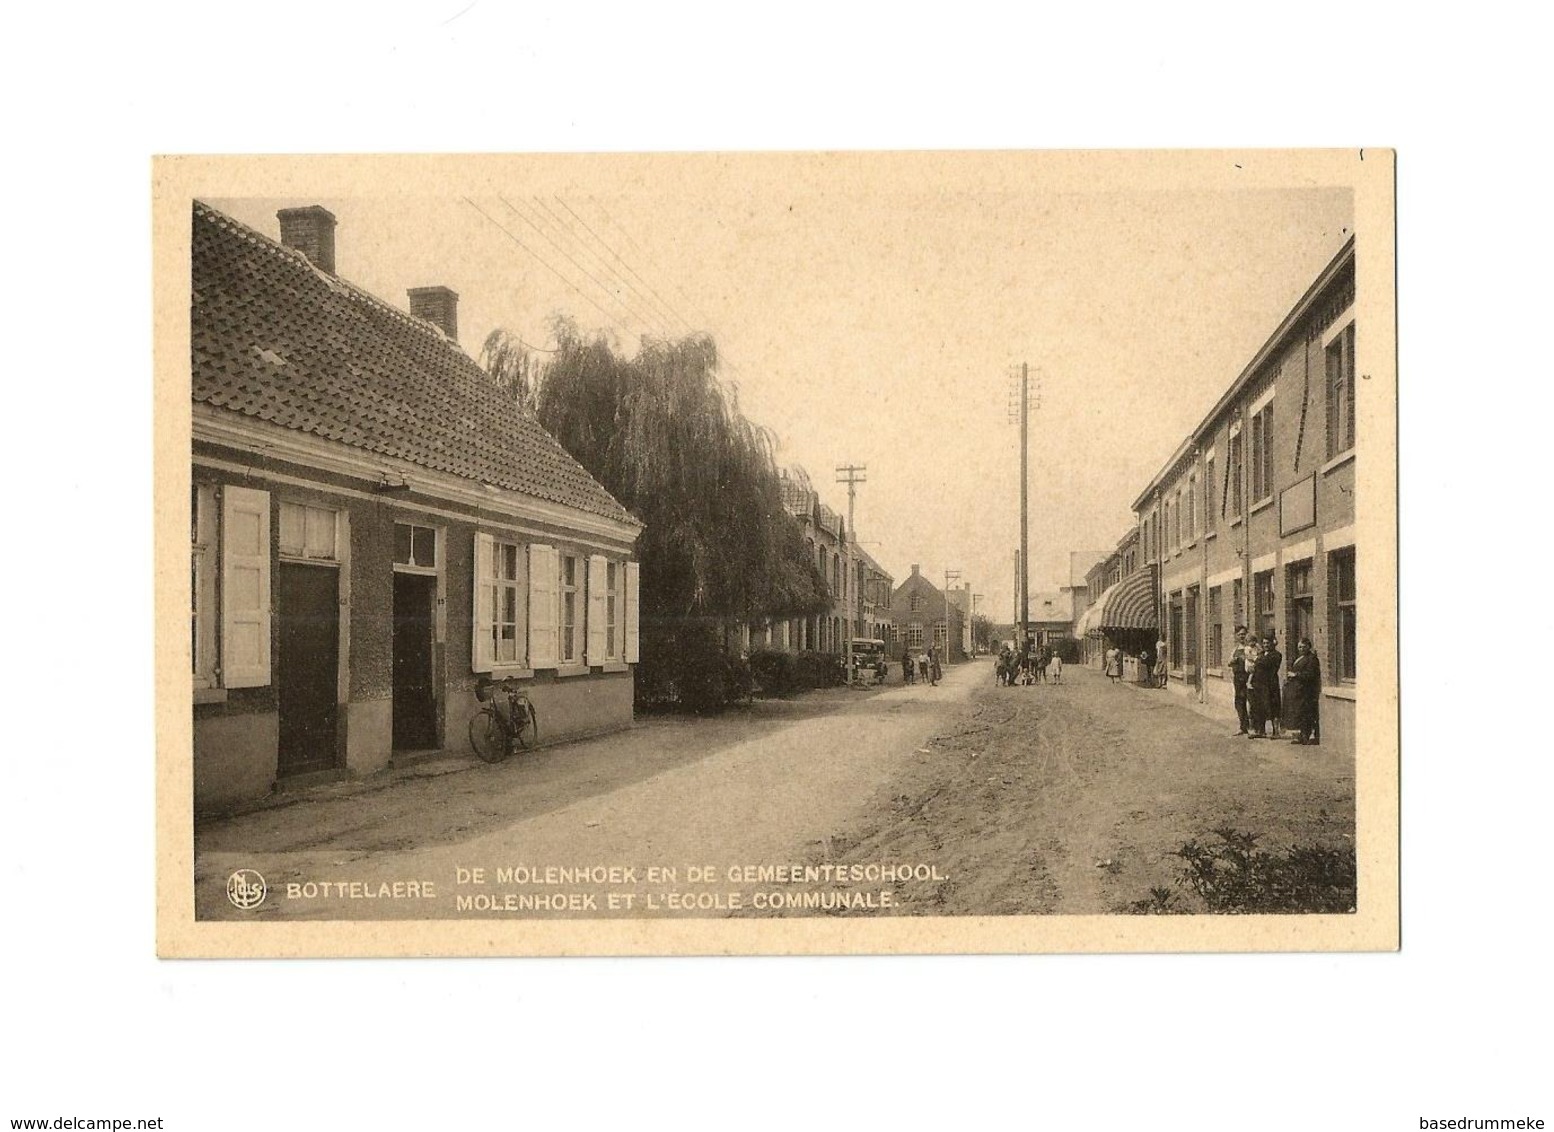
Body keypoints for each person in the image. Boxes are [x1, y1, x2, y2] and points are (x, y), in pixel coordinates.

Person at [1285, 637, 1321, 744]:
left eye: (1303, 647)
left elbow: (1310, 674)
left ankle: (1307, 736)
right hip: (1298, 690)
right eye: (1299, 647)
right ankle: (1301, 734)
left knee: (1307, 713)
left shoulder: (1311, 659)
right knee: (1299, 713)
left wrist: (1296, 675)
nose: (1301, 649)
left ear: (1308, 647)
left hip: (1307, 690)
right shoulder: (1299, 658)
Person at [1228, 626, 1252, 735]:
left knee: (1251, 701)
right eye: (1240, 634)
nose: (1242, 636)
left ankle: (1254, 727)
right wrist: (1233, 660)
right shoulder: (1235, 649)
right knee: (1239, 701)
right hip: (1238, 678)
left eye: (1244, 634)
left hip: (1249, 677)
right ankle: (1243, 726)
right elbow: (1229, 663)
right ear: (1236, 636)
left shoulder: (1252, 647)